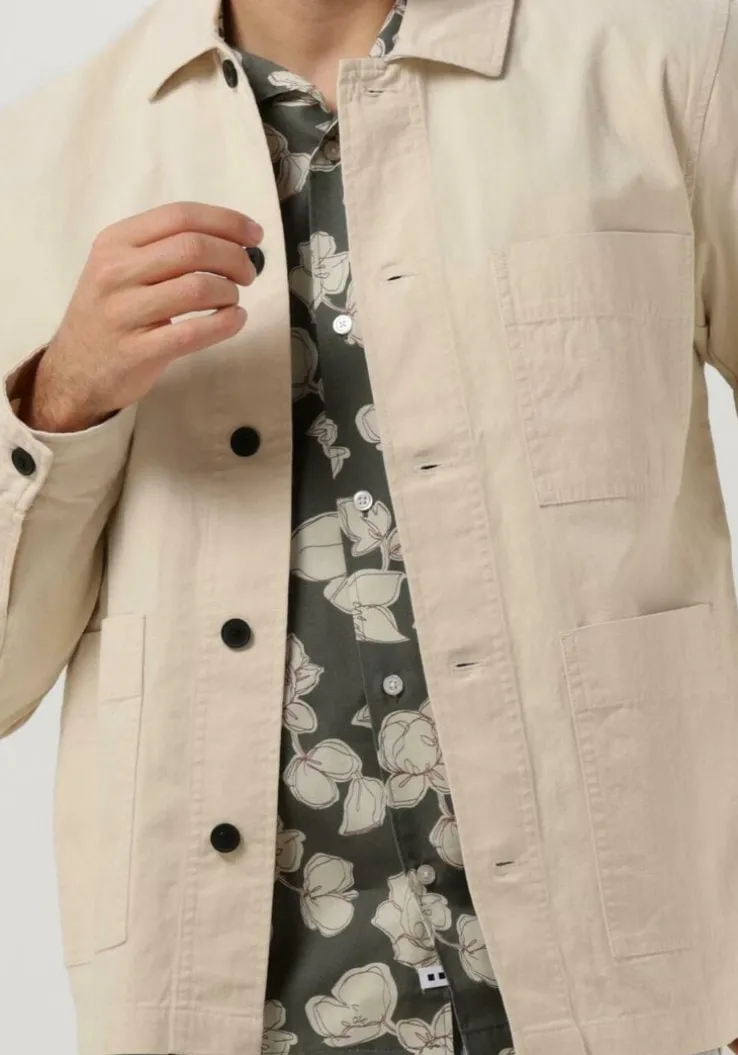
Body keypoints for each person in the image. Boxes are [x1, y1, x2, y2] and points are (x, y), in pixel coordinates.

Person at [0, 0, 737, 1052]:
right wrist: (59, 399)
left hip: (637, 987)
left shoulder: (664, 65)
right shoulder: (44, 158)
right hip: (236, 1005)